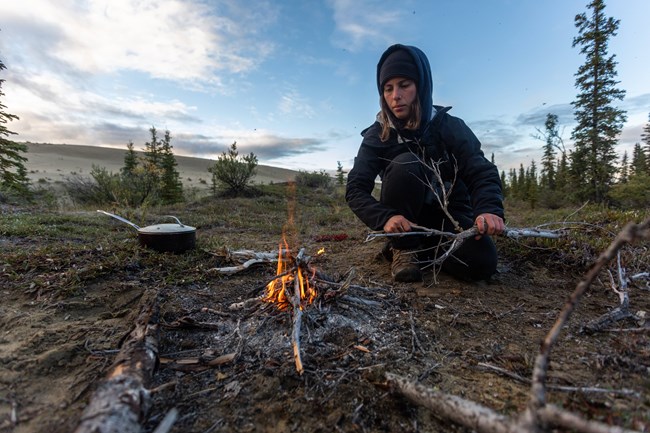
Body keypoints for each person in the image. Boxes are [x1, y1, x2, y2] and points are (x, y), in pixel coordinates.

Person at [345, 44, 505, 283]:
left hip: (450, 216)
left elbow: (480, 171)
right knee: (407, 163)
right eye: (388, 89)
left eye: (404, 85)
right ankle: (404, 248)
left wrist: (488, 209)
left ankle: (428, 244)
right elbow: (355, 188)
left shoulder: (450, 127)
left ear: (422, 86)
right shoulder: (379, 134)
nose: (395, 96)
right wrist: (385, 218)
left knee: (481, 264)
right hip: (404, 221)